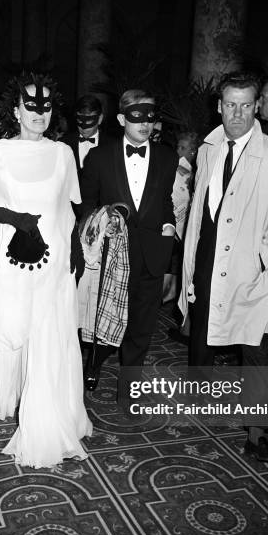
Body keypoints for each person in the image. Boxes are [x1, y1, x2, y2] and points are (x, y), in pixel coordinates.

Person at [179, 71, 268, 463]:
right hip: (207, 257)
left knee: (254, 352)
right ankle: (200, 399)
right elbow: (200, 207)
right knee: (201, 329)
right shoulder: (207, 148)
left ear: (257, 108)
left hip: (250, 267)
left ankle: (257, 435)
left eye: (246, 105)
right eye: (230, 105)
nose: (237, 113)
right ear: (219, 106)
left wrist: (260, 258)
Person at [0, 72, 92, 468]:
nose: (39, 113)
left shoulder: (63, 153)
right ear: (16, 110)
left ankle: (48, 417)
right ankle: (10, 394)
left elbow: (70, 207)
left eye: (46, 107)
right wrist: (18, 218)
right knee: (13, 324)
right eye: (31, 106)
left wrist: (74, 250)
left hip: (55, 259)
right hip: (12, 255)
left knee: (50, 336)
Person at [80, 89, 178, 389]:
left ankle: (130, 387)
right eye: (137, 118)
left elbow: (166, 205)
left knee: (142, 327)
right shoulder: (99, 157)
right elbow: (85, 206)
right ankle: (94, 362)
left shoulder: (167, 156)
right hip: (112, 254)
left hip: (152, 253)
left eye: (150, 117)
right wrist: (100, 222)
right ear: (123, 119)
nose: (145, 124)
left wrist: (170, 228)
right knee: (103, 319)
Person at [163, 131, 200, 305]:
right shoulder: (171, 165)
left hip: (188, 226)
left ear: (193, 152)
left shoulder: (199, 171)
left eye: (183, 148)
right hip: (169, 224)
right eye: (178, 146)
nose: (178, 150)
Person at [63, 94, 112, 179]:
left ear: (100, 119)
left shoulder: (112, 146)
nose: (84, 127)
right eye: (79, 120)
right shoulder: (64, 144)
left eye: (89, 120)